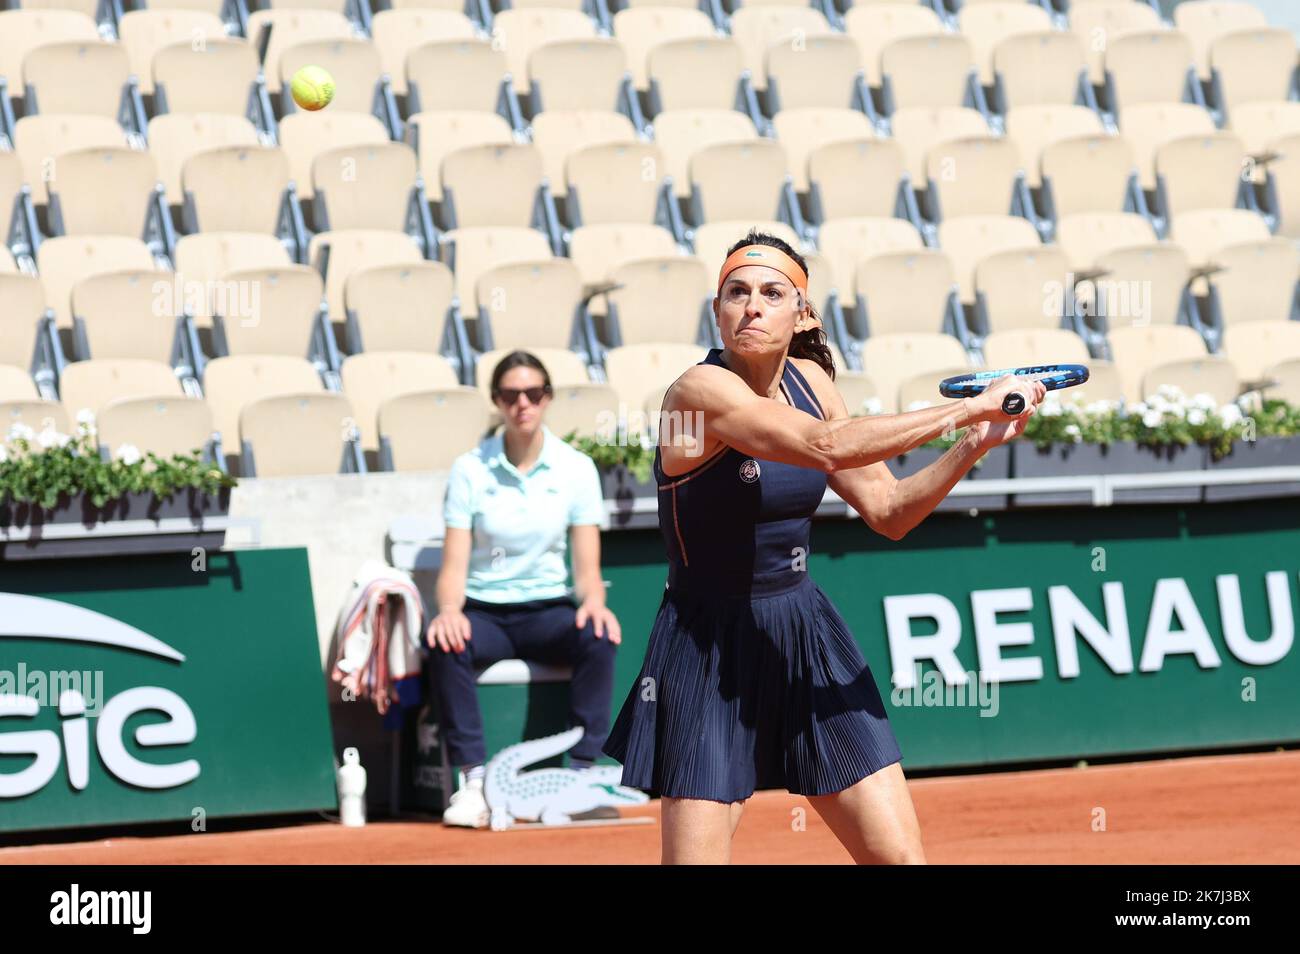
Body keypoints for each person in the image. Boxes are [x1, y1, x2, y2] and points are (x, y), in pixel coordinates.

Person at [602, 230, 1046, 863]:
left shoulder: (812, 381)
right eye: (736, 293)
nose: (751, 306)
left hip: (804, 634)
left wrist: (975, 442)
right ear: (718, 309)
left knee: (900, 861)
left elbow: (890, 511)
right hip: (705, 646)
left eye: (771, 293)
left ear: (801, 313)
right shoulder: (694, 395)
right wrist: (966, 411)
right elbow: (824, 447)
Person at [427, 350, 622, 828]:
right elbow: (453, 565)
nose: (523, 404)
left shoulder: (576, 468)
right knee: (443, 641)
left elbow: (586, 568)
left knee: (599, 637)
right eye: (511, 395)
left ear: (547, 398)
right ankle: (474, 782)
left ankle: (581, 776)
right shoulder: (469, 469)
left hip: (548, 613)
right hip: (486, 613)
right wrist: (449, 609)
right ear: (497, 402)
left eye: (533, 393)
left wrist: (594, 602)